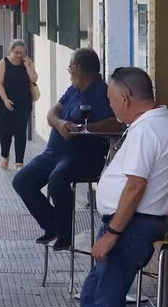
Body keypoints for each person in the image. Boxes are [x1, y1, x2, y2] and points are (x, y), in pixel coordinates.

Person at [63, 66, 168, 307]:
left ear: (126, 97)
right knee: (95, 294)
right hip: (133, 223)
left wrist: (113, 232)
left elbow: (136, 185)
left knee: (105, 299)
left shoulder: (148, 131)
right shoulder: (158, 124)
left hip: (131, 225)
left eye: (112, 99)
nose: (110, 106)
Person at [11, 47, 121, 251]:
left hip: (82, 156)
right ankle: (52, 226)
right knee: (22, 180)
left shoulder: (102, 93)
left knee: (57, 179)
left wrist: (84, 128)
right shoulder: (73, 90)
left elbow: (118, 123)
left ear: (78, 68)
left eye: (70, 69)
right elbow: (53, 112)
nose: (69, 73)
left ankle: (64, 234)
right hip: (54, 152)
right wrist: (60, 123)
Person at [0, 40, 38, 170]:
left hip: (23, 102)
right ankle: (5, 156)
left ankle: (19, 162)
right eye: (16, 52)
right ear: (11, 51)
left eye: (22, 52)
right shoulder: (4, 63)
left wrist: (28, 66)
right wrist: (6, 100)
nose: (19, 55)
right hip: (4, 102)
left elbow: (34, 79)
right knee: (5, 131)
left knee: (20, 131)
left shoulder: (27, 62)